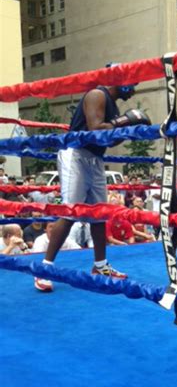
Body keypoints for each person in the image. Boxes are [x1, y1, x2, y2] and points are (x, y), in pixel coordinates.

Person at [33, 68, 151, 292]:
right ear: (121, 80)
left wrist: (129, 127)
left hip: (96, 158)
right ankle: (44, 268)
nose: (133, 90)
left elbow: (108, 140)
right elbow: (96, 129)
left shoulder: (113, 106)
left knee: (100, 213)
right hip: (76, 154)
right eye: (132, 84)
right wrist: (127, 120)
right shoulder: (96, 95)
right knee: (70, 212)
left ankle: (100, 265)